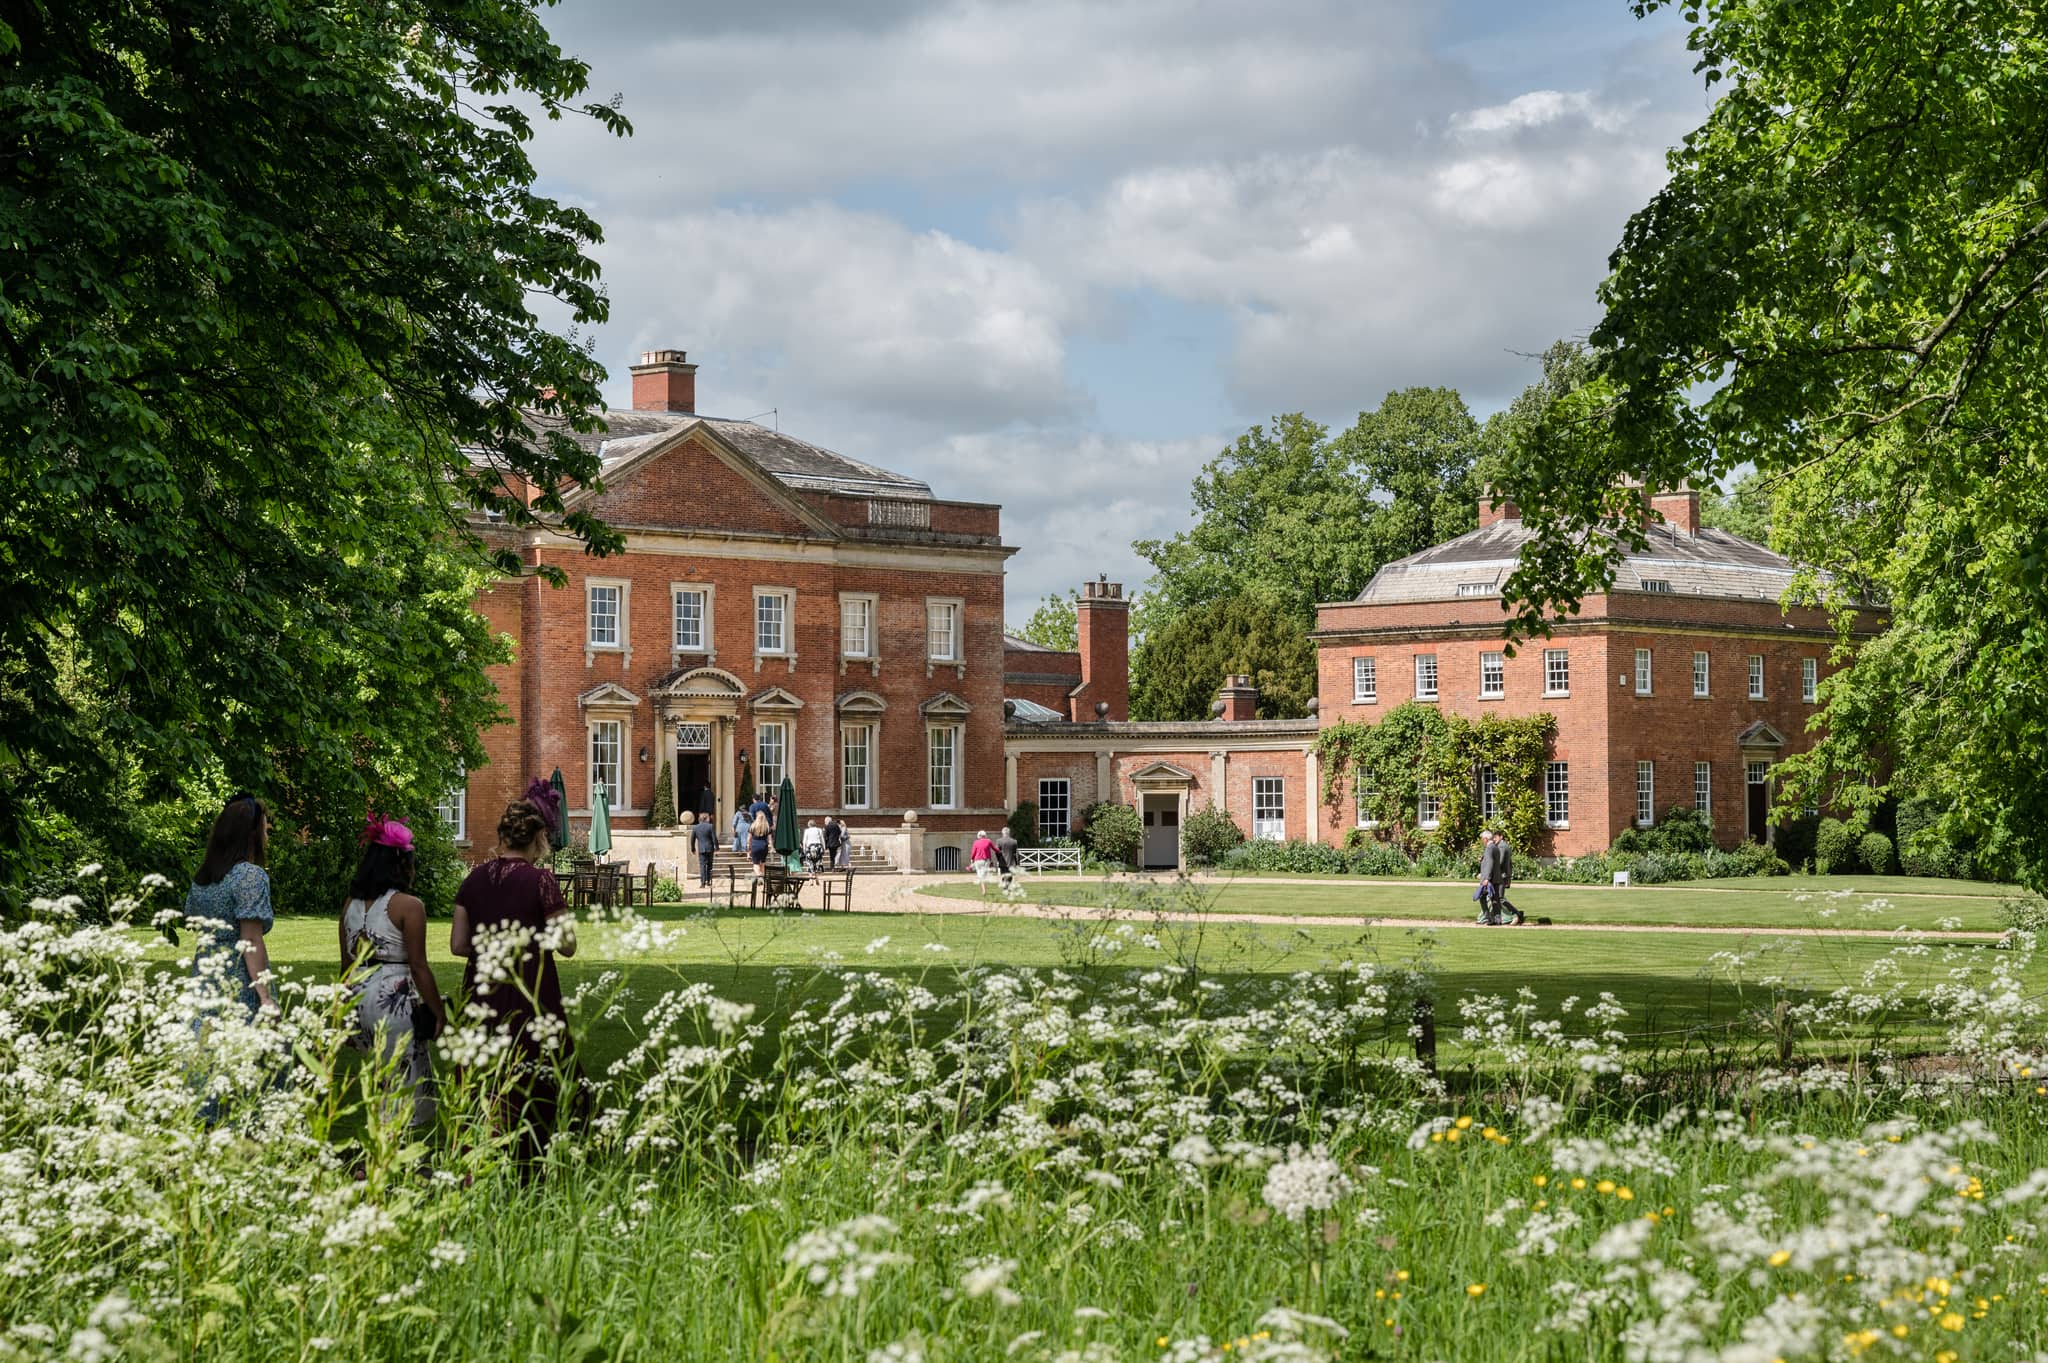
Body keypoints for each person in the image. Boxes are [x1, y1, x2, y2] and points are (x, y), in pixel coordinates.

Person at [451, 794, 579, 1166]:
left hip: (482, 987)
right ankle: (532, 1155)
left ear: (503, 836)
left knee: (484, 1070)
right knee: (534, 1067)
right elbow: (567, 945)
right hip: (530, 988)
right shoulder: (541, 881)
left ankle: (480, 1150)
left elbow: (459, 944)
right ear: (537, 839)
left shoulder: (473, 879)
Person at [340, 815, 447, 1127]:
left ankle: (378, 1149)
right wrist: (438, 1012)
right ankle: (389, 1157)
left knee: (380, 1079)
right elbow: (419, 965)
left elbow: (346, 965)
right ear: (401, 864)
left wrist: (341, 1012)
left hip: (358, 998)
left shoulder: (349, 905)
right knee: (406, 1086)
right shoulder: (408, 906)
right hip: (393, 1000)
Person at [185, 793, 277, 1020]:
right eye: (265, 830)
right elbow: (251, 940)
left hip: (203, 978)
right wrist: (265, 997)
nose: (266, 836)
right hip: (238, 983)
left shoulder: (202, 879)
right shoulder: (250, 876)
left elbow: (192, 920)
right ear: (252, 835)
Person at [1493, 830, 1523, 925]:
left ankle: (1517, 914)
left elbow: (1500, 862)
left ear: (1501, 837)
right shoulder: (1505, 845)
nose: (1494, 839)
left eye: (1495, 837)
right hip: (1504, 874)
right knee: (1497, 897)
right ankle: (1497, 916)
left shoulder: (1501, 846)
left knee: (1500, 898)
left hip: (1502, 875)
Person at [1475, 830, 1502, 925]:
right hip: (1496, 877)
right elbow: (1492, 862)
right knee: (1495, 899)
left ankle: (1488, 918)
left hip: (1490, 879)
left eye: (1482, 839)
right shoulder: (1495, 847)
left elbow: (1490, 863)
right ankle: (1497, 920)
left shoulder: (1489, 848)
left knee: (1482, 897)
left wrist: (1486, 878)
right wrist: (1482, 860)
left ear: (1486, 839)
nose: (1482, 841)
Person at [691, 811, 718, 889]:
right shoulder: (710, 826)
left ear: (699, 819)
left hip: (701, 849)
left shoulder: (695, 827)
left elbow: (692, 839)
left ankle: (702, 883)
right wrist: (717, 847)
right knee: (709, 865)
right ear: (706, 819)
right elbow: (714, 838)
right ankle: (708, 881)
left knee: (702, 866)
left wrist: (693, 848)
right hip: (710, 848)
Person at [748, 807, 772, 877]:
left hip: (755, 846)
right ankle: (762, 877)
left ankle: (759, 876)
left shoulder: (753, 826)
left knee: (756, 864)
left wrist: (748, 849)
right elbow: (770, 839)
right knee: (762, 864)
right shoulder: (767, 827)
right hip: (764, 847)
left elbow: (749, 839)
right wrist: (771, 847)